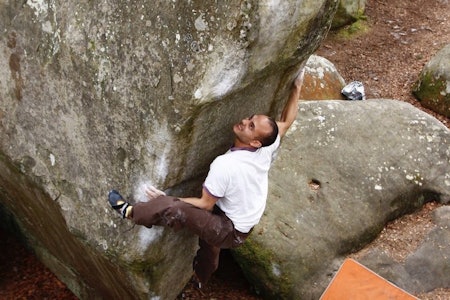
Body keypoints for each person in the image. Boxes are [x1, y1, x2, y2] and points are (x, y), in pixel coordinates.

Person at [108, 74, 303, 287]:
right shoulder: (266, 147)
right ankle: (202, 278)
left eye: (251, 126)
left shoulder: (225, 164)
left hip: (230, 228)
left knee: (173, 208)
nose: (244, 122)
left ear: (256, 142)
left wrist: (169, 198)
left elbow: (205, 204)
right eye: (250, 118)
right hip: (241, 220)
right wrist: (297, 86)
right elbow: (287, 121)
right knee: (210, 246)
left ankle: (131, 212)